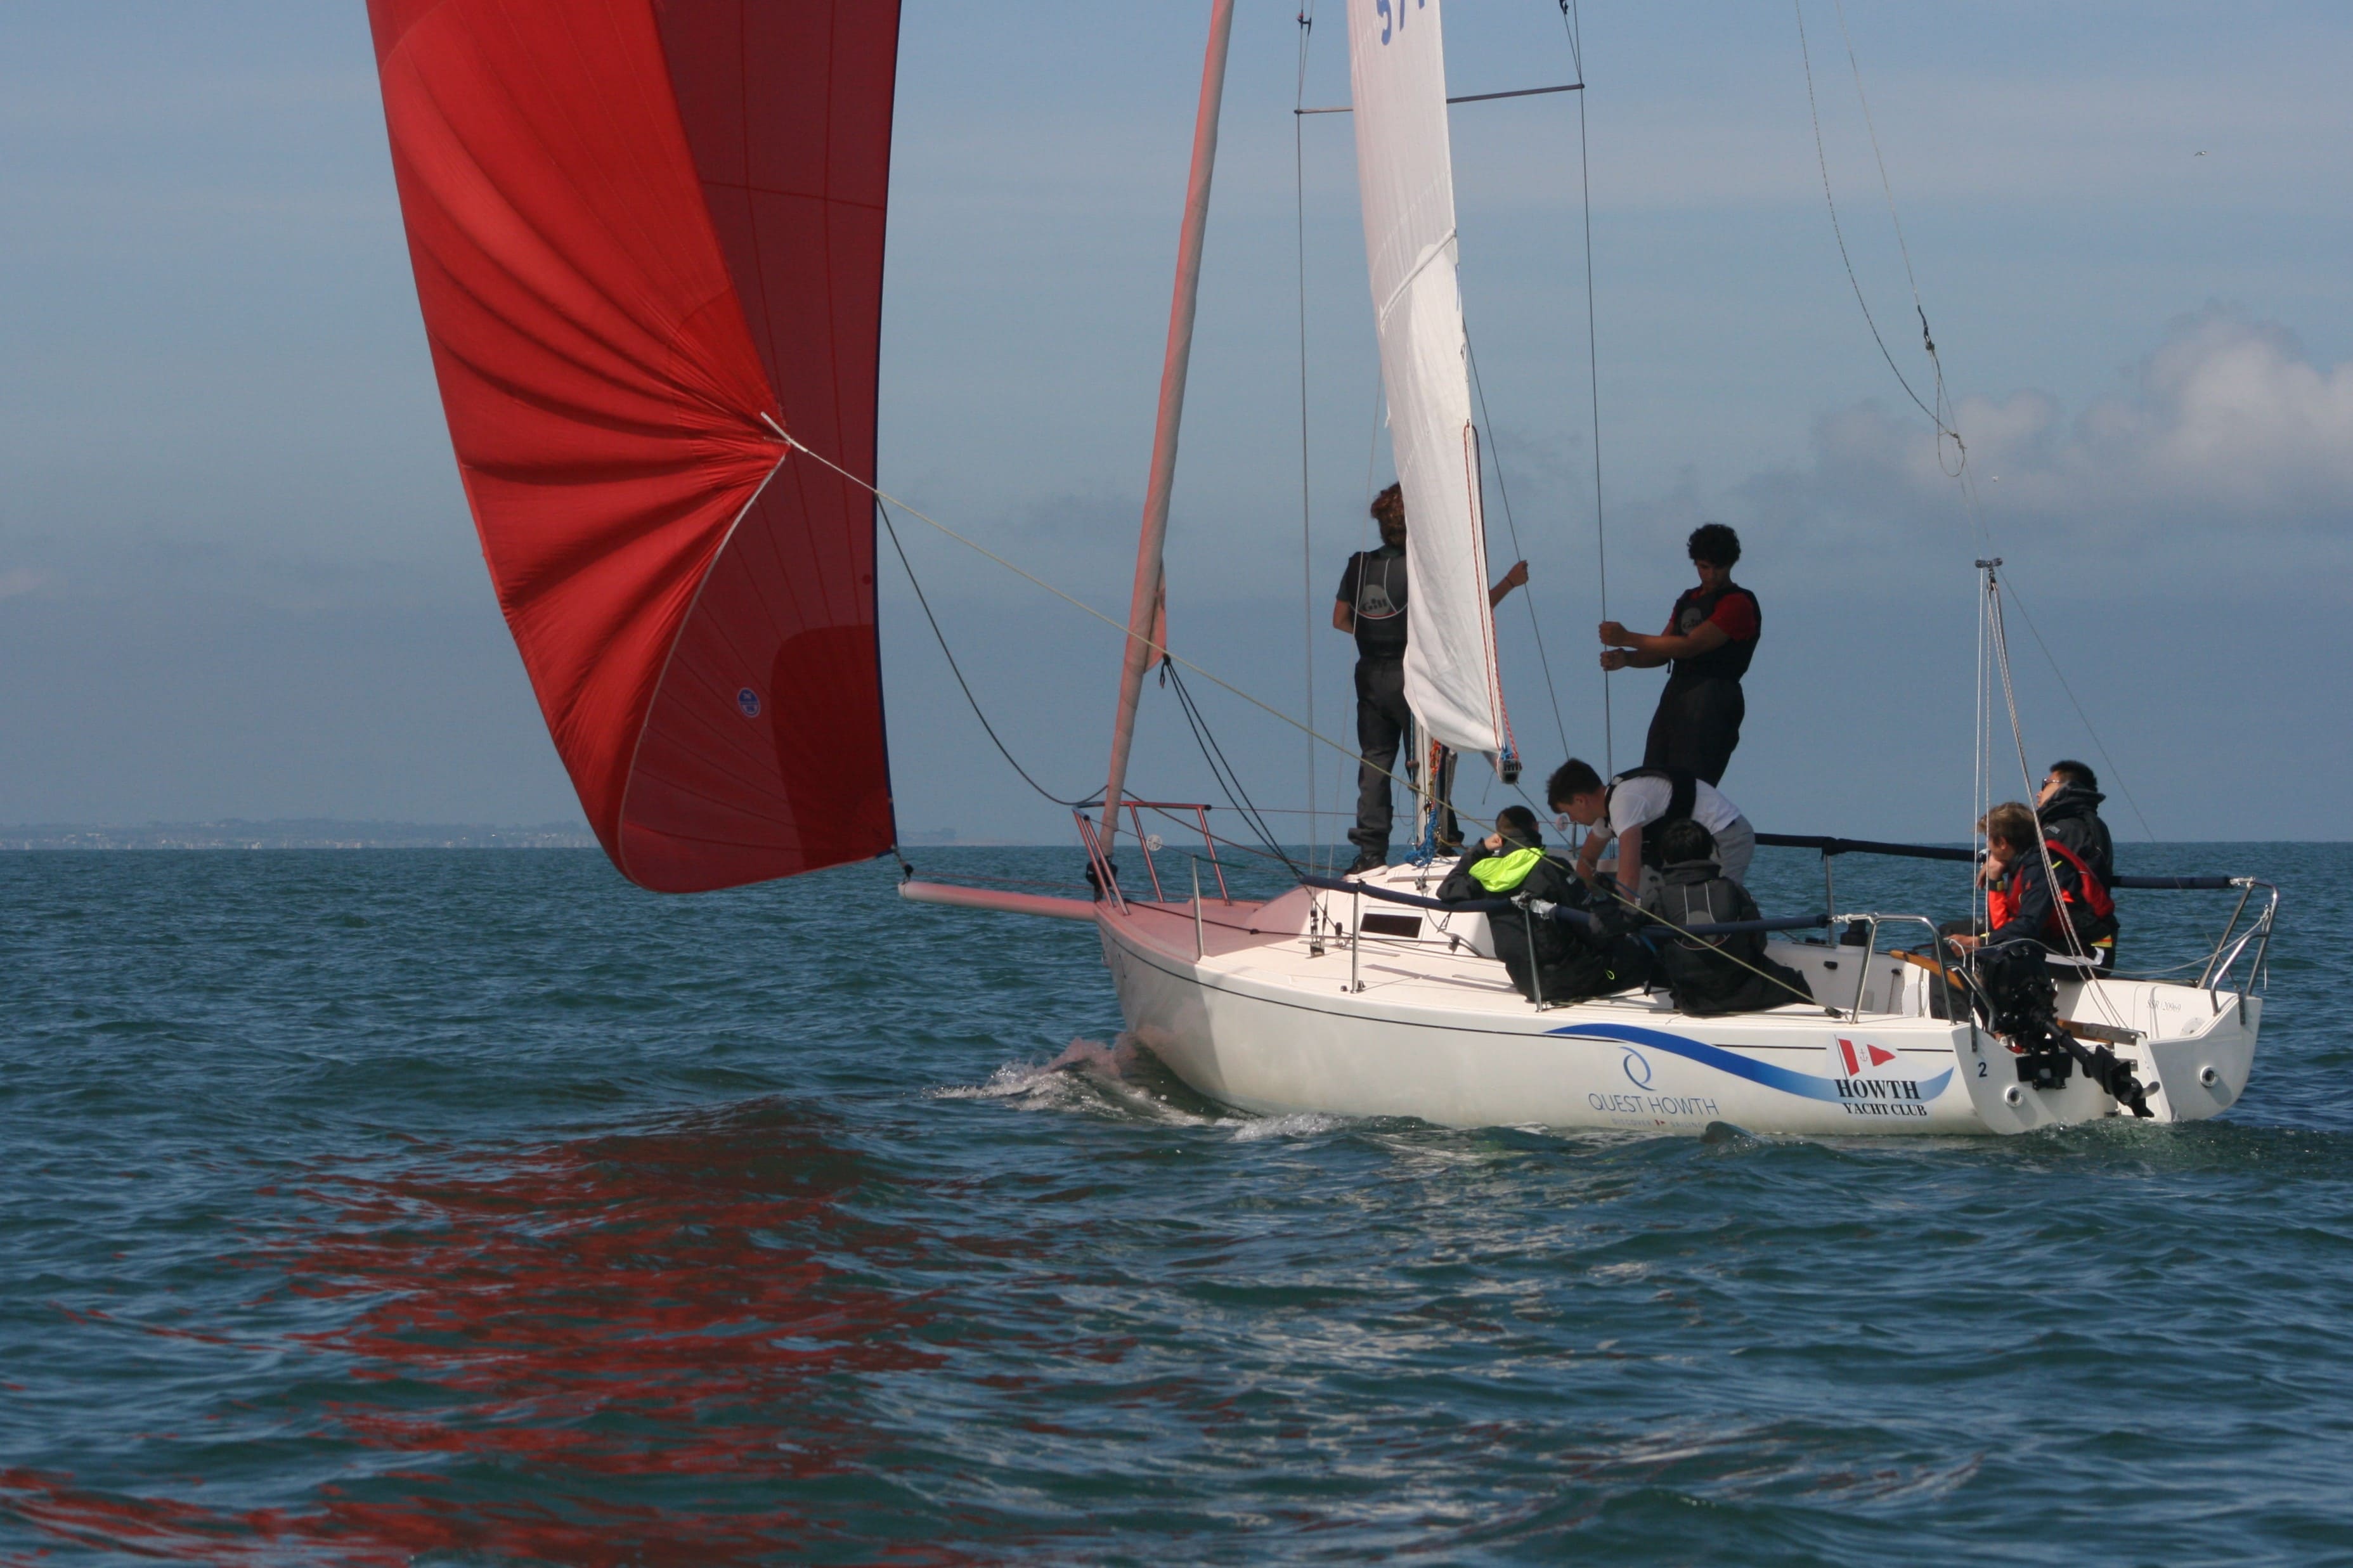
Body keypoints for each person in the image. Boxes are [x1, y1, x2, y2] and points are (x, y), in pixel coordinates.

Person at [1335, 482, 1529, 874]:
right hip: (1415, 672)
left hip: (1370, 673)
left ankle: (1371, 854)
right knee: (1429, 761)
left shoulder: (1359, 564)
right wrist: (1510, 582)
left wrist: (1379, 633)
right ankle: (1441, 840)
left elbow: (1341, 620)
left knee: (1375, 762)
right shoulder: (1424, 569)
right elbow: (1471, 615)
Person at [1596, 522, 1760, 786]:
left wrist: (1628, 637)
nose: (1711, 575)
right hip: (1677, 693)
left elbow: (1690, 646)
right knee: (1654, 778)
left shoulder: (1738, 602)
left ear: (1731, 565)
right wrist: (1627, 658)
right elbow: (1663, 650)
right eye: (1704, 567)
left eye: (1718, 568)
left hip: (1714, 694)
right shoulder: (1689, 599)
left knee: (1690, 782)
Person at [1437, 806, 1649, 1005]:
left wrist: (1480, 849)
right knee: (1642, 955)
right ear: (1536, 828)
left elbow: (1446, 890)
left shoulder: (1487, 874)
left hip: (1527, 982)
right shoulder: (1553, 869)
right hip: (1576, 978)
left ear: (1499, 838)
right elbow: (1592, 929)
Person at [1640, 819, 1813, 1016]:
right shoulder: (1733, 890)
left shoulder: (1657, 899)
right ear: (1710, 851)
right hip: (1746, 993)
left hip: (1691, 1001)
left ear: (1665, 855)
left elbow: (1655, 950)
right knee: (1795, 981)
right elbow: (1759, 941)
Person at [1545, 757, 1756, 905]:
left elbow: (1629, 871)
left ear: (1580, 800)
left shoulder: (1624, 803)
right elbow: (1587, 858)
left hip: (1725, 834)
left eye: (1569, 813)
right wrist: (1584, 900)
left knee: (1718, 904)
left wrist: (1621, 915)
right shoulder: (1608, 811)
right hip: (1699, 844)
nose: (1572, 820)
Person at [1945, 801, 2119, 972]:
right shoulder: (2021, 864)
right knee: (1947, 939)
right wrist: (1994, 879)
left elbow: (2029, 926)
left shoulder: (2041, 868)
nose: (1988, 847)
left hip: (2089, 951)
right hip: (2056, 942)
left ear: (2003, 843)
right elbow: (2001, 925)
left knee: (1998, 957)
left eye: (1989, 839)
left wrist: (1978, 943)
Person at [2037, 760, 2115, 887]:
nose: (2039, 793)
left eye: (2045, 784)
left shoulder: (2065, 828)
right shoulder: (2089, 823)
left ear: (2066, 786)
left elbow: (2045, 879)